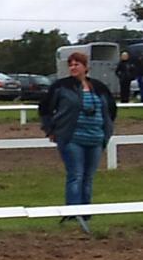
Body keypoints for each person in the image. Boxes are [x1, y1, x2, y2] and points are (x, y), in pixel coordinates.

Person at [38, 52, 116, 219]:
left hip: (95, 138)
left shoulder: (99, 87)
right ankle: (73, 213)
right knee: (76, 175)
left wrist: (106, 130)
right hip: (72, 138)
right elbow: (45, 108)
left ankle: (86, 213)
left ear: (86, 67)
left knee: (88, 177)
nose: (73, 67)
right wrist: (50, 130)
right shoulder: (61, 86)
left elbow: (111, 109)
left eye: (77, 64)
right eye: (71, 64)